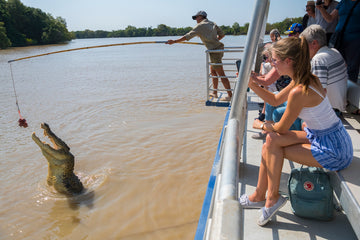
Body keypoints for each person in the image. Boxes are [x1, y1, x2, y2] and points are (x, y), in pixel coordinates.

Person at [240, 37, 353, 226]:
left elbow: (280, 128)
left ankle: (269, 197)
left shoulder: (299, 90)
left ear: (288, 61)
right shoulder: (304, 78)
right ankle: (262, 195)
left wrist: (260, 125)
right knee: (271, 142)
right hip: (331, 137)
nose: (272, 64)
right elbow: (275, 100)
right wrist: (252, 84)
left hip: (334, 150)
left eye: (274, 60)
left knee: (272, 146)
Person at [166, 11, 232, 101]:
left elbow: (187, 36)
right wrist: (213, 41)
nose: (195, 20)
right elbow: (222, 35)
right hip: (218, 49)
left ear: (201, 17)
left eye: (196, 17)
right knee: (213, 72)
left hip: (214, 51)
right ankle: (215, 93)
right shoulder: (212, 23)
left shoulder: (200, 26)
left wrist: (174, 41)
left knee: (221, 73)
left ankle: (230, 95)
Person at [318, 0, 360, 114]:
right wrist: (321, 8)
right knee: (334, 68)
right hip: (339, 39)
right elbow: (330, 19)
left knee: (352, 70)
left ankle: (349, 102)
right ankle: (335, 101)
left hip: (356, 41)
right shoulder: (343, 2)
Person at [300, 24, 348, 115]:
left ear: (314, 43)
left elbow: (318, 93)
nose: (303, 49)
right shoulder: (335, 51)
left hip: (330, 111)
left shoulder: (318, 59)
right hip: (339, 107)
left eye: (304, 45)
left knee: (280, 112)